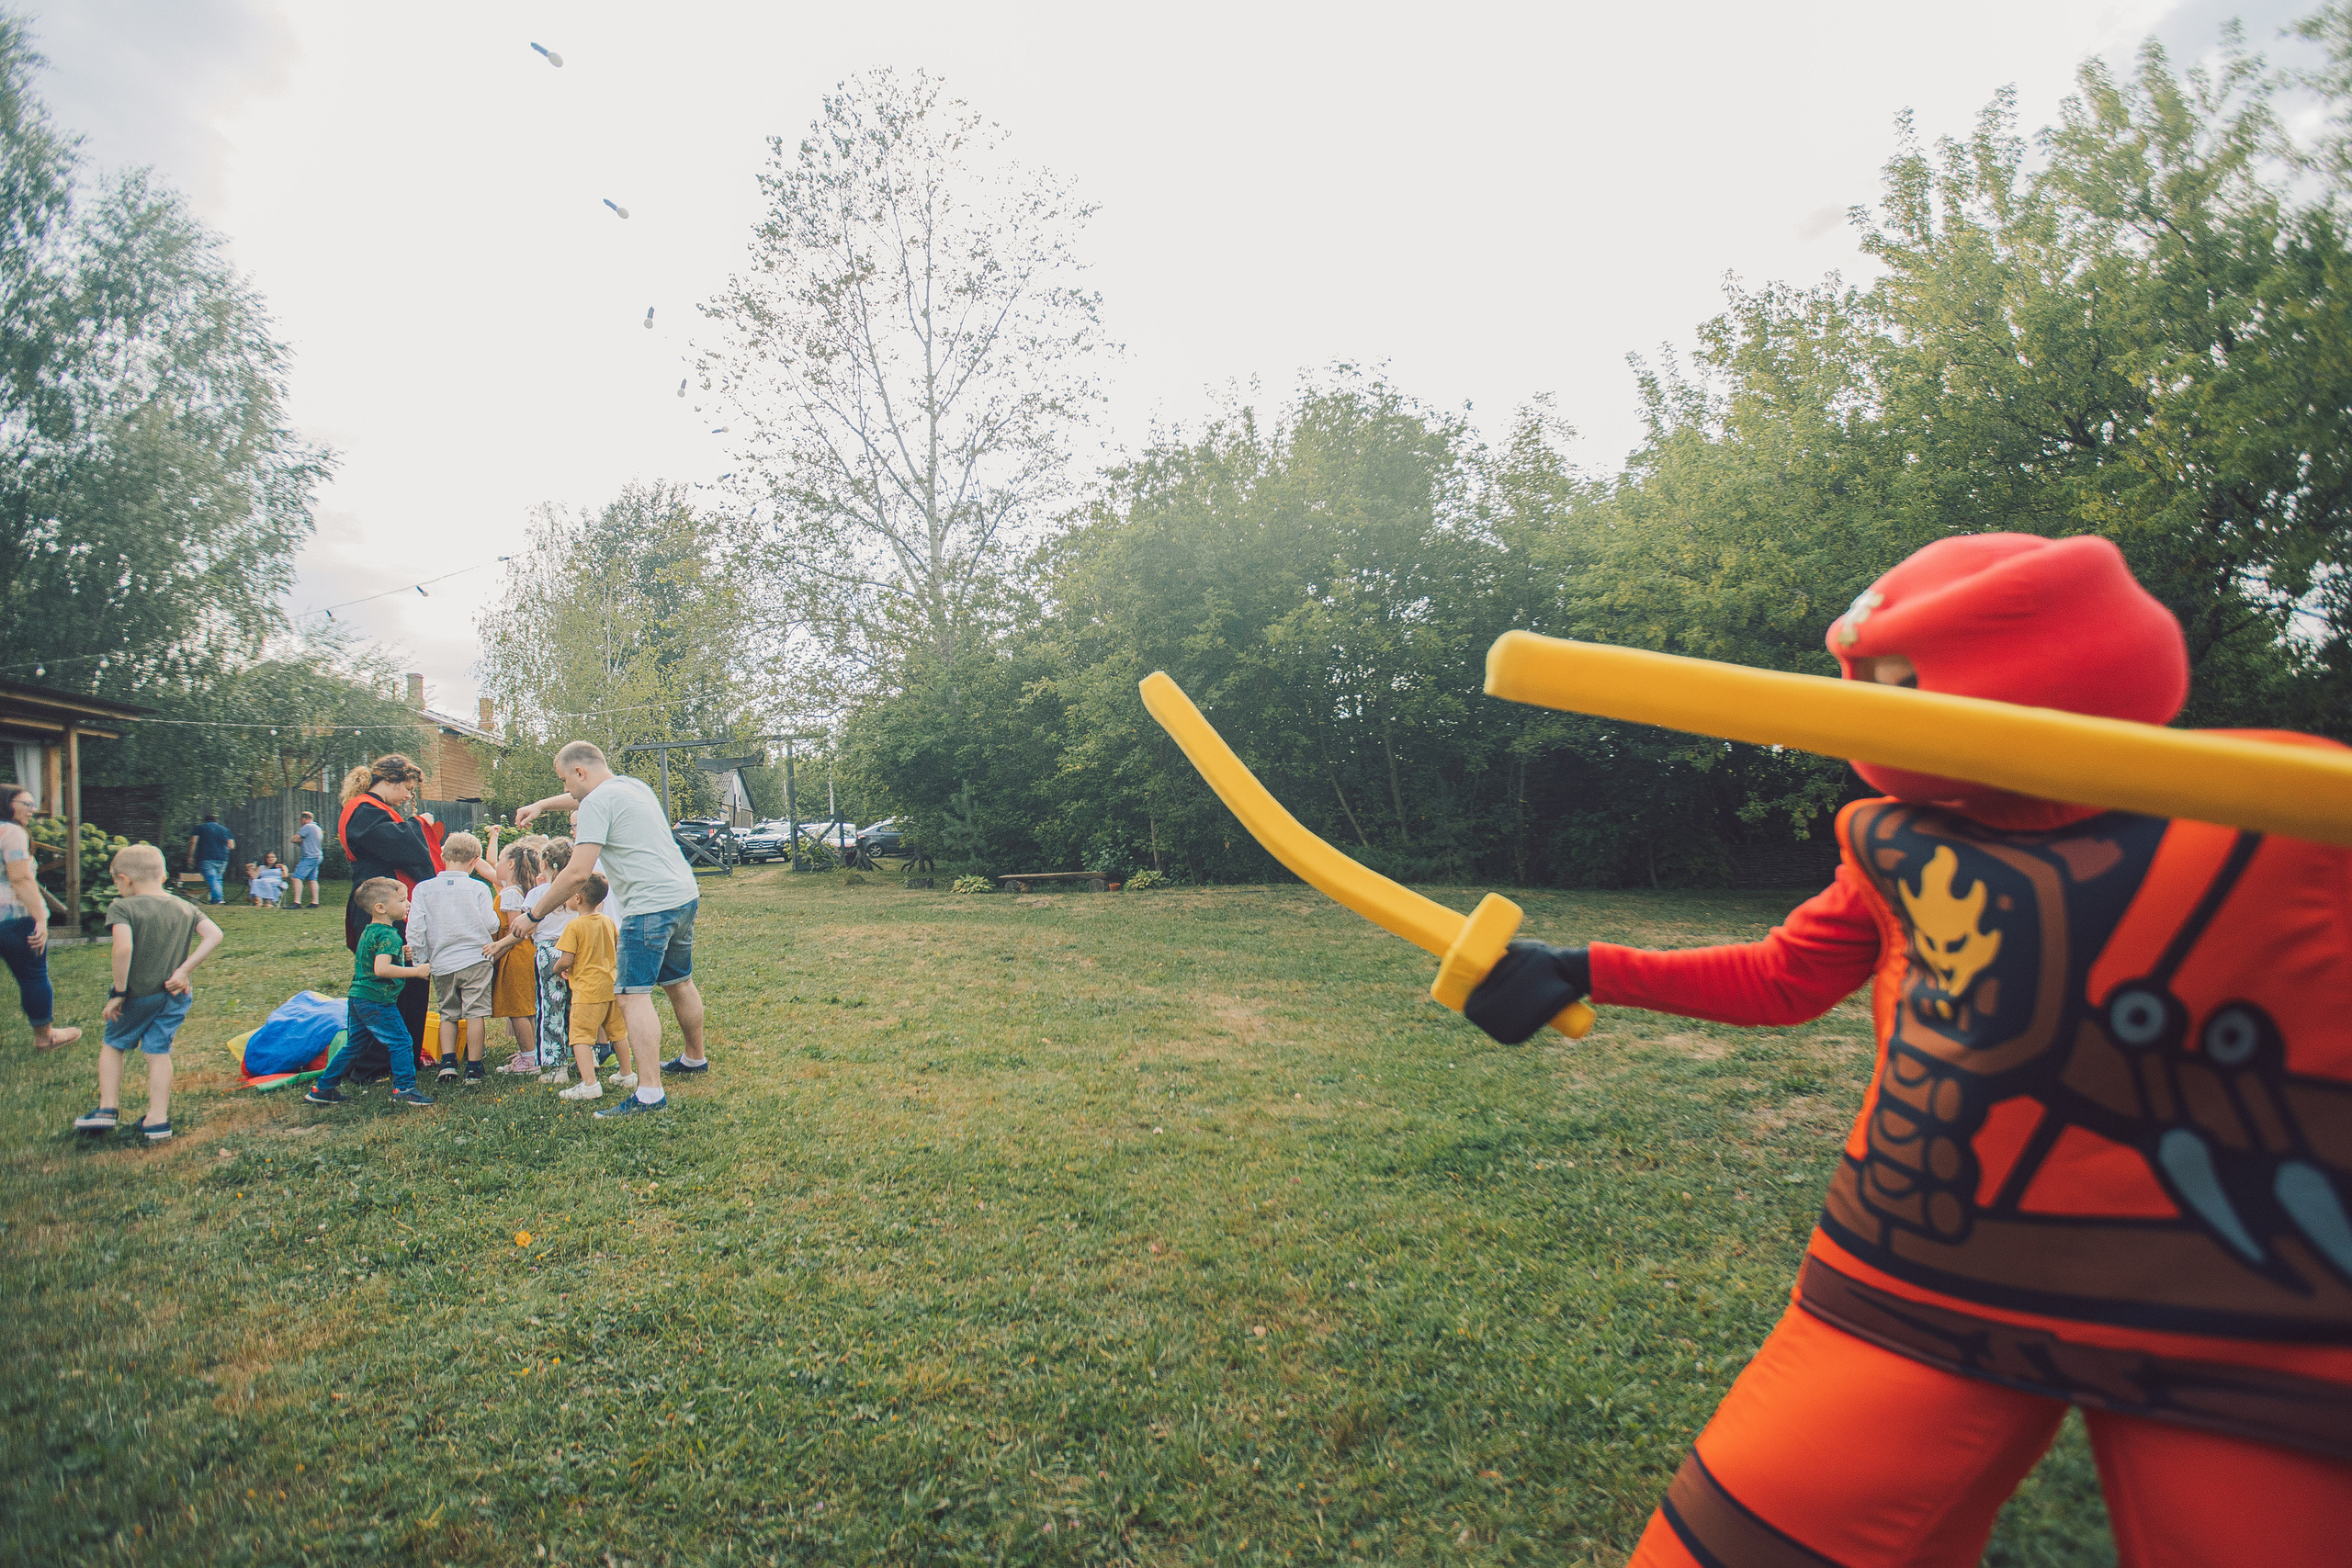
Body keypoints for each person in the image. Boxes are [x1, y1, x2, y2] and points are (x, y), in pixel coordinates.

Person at [1460, 535, 2352, 1567]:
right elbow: (1781, 977)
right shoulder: (1896, 840)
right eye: (1861, 682)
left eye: (1898, 681)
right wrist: (1582, 966)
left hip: (2251, 1308)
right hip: (1919, 1269)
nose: (1867, 709)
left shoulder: (2292, 806)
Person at [513, 740, 707, 1119]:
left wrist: (534, 915)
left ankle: (649, 1093)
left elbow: (578, 873)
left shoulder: (597, 803)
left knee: (631, 996)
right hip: (682, 895)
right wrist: (542, 806)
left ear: (580, 772)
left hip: (648, 907)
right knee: (679, 981)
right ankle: (694, 1058)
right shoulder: (633, 786)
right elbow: (581, 800)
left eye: (566, 781)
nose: (567, 790)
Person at [72, 844, 221, 1140]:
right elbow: (215, 935)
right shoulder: (184, 906)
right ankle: (157, 1120)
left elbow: (123, 947)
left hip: (138, 994)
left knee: (114, 1043)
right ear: (164, 874)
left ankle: (107, 1108)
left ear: (125, 879)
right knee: (158, 1052)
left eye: (117, 882)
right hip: (175, 995)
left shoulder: (123, 907)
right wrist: (184, 970)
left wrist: (118, 992)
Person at [336, 756, 442, 1077]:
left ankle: (400, 1056)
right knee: (387, 980)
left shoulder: (375, 810)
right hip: (379, 907)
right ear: (392, 781)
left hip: (393, 904)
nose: (410, 797)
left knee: (406, 979)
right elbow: (403, 847)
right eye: (408, 788)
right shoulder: (363, 810)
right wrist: (419, 823)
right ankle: (376, 1060)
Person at [303, 877, 435, 1109]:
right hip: (377, 1001)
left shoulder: (370, 931)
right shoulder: (389, 936)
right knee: (402, 1041)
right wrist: (415, 971)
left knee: (355, 1046)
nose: (409, 905)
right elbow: (381, 969)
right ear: (380, 908)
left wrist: (400, 956)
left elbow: (373, 960)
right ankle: (404, 1088)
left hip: (358, 997)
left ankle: (323, 1088)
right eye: (403, 900)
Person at [407, 831, 498, 1084]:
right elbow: (491, 923)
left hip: (441, 960)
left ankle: (448, 1062)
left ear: (443, 855)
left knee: (448, 1012)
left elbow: (415, 927)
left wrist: (420, 958)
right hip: (475, 958)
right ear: (475, 860)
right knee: (475, 1012)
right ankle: (474, 1066)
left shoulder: (424, 889)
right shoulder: (478, 888)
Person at [1, 783, 80, 1051]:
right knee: (33, 976)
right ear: (6, 804)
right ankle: (45, 1037)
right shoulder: (10, 831)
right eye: (26, 804)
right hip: (13, 920)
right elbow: (21, 878)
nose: (32, 811)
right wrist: (41, 917)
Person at [551, 873, 631, 1102]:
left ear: (577, 899)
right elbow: (617, 947)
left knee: (580, 1037)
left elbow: (566, 960)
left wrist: (558, 969)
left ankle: (589, 1084)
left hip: (587, 991)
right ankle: (626, 1074)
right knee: (618, 1033)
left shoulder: (574, 926)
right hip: (610, 986)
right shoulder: (607, 921)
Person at [486, 842, 542, 1075]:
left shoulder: (509, 893)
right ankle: (531, 1054)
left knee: (518, 1009)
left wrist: (494, 954)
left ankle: (528, 1061)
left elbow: (513, 931)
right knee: (526, 1007)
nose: (496, 865)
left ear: (510, 864)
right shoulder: (519, 890)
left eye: (500, 860)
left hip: (515, 954)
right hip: (523, 954)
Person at [186, 812, 233, 905]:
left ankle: (218, 899)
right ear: (216, 821)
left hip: (206, 857)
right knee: (218, 879)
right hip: (222, 858)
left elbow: (193, 841)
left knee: (212, 878)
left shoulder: (200, 828)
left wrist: (190, 856)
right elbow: (231, 845)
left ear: (205, 821)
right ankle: (215, 899)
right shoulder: (225, 830)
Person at [288, 810, 324, 908]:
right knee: (312, 879)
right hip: (318, 855)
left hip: (309, 856)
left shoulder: (307, 827)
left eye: (301, 820)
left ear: (304, 819)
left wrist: (298, 841)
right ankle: (315, 902)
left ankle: (297, 902)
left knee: (296, 878)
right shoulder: (318, 828)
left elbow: (294, 839)